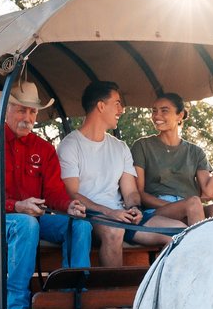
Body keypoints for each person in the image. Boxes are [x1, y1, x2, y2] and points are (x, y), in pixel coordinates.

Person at [0, 81, 92, 309]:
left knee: (80, 226)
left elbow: (54, 192)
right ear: (5, 111)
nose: (28, 117)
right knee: (26, 224)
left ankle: (72, 304)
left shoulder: (43, 149)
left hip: (33, 217)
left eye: (32, 111)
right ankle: (16, 308)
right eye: (21, 109)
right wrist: (17, 206)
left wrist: (68, 205)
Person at [57, 80, 183, 264]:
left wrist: (133, 208)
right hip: (90, 216)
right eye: (117, 103)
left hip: (121, 215)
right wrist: (109, 213)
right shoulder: (70, 145)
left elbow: (130, 191)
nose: (121, 109)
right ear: (101, 106)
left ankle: (157, 288)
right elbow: (72, 193)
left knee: (179, 231)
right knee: (115, 231)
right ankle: (112, 291)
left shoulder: (120, 147)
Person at [132, 93, 213, 225]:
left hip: (191, 208)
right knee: (193, 203)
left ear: (179, 115)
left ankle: (210, 245)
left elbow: (209, 192)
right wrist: (178, 206)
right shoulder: (143, 146)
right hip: (158, 210)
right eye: (154, 111)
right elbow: (139, 192)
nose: (157, 116)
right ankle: (197, 245)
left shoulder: (195, 152)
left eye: (164, 111)